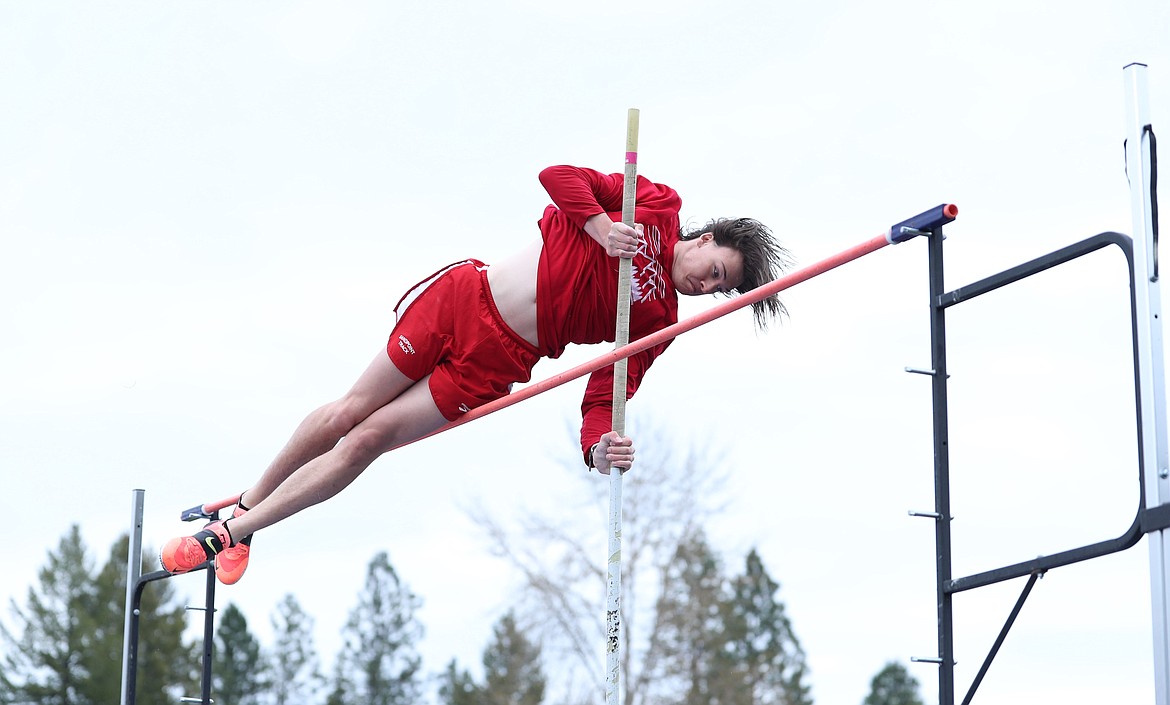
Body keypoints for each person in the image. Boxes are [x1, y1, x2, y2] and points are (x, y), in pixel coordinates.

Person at [160, 164, 791, 583]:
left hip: (498, 362)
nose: (707, 285)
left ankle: (235, 532)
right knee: (349, 411)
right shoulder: (653, 204)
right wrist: (603, 229)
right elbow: (559, 177)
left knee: (369, 441)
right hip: (463, 301)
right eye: (715, 269)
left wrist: (601, 448)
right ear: (704, 238)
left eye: (720, 289)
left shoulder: (659, 321)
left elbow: (605, 395)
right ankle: (246, 502)